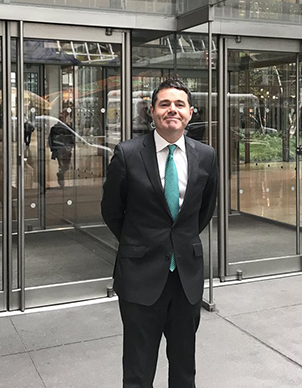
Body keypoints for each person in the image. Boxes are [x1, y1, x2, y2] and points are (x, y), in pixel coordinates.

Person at [101, 79, 218, 388]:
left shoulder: (206, 156)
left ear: (191, 113)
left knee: (184, 369)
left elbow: (203, 211)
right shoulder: (127, 154)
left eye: (179, 105)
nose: (172, 110)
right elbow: (111, 210)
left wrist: (179, 242)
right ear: (151, 112)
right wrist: (140, 242)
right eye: (164, 104)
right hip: (139, 277)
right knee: (138, 371)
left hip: (186, 279)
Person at [48, 111, 75, 187]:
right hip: (59, 149)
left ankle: (60, 174)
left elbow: (72, 137)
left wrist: (71, 145)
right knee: (61, 164)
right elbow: (51, 139)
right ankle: (61, 179)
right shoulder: (55, 128)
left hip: (66, 149)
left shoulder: (68, 127)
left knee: (66, 165)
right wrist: (53, 149)